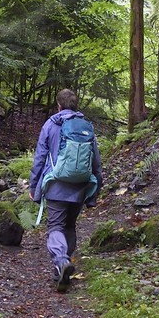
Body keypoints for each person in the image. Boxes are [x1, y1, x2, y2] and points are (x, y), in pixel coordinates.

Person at [28, 89, 102, 292]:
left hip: (56, 185)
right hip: (80, 186)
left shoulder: (52, 124)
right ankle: (62, 270)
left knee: (55, 227)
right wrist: (94, 191)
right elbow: (96, 162)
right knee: (69, 226)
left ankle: (61, 262)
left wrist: (34, 186)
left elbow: (40, 157)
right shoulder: (87, 127)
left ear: (58, 106)